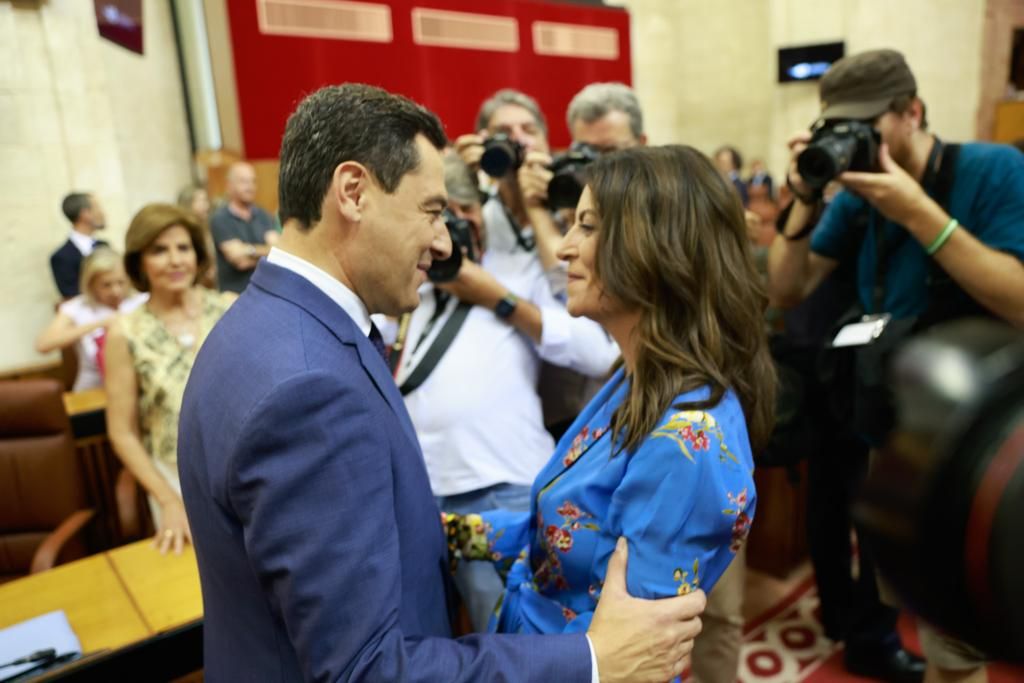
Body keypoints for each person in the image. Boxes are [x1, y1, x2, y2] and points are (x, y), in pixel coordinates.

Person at [177, 83, 706, 683]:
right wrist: (593, 659)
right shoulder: (307, 387)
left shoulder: (262, 326)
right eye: (430, 210)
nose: (443, 241)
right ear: (353, 193)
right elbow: (368, 669)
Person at [446, 146, 771, 678]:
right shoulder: (634, 377)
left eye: (588, 227)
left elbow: (634, 659)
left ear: (655, 248)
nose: (566, 249)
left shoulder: (688, 443)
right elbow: (558, 534)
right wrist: (449, 533)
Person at [768, 48, 1024, 683]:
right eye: (836, 127)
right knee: (934, 615)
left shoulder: (993, 169)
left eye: (863, 124)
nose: (851, 140)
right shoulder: (858, 197)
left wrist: (914, 209)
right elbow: (785, 289)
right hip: (900, 422)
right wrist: (804, 196)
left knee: (967, 632)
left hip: (986, 428)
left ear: (911, 112)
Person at [394, 153, 617, 633]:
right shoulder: (409, 278)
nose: (449, 229)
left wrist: (494, 295)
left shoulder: (515, 271)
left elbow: (598, 353)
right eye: (437, 214)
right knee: (434, 637)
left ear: (482, 215)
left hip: (502, 487)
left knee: (512, 640)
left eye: (463, 212)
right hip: (423, 492)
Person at [104, 204, 235, 556]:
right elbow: (122, 432)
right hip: (176, 482)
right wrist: (168, 500)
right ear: (139, 262)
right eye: (159, 250)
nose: (175, 260)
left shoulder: (230, 309)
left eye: (183, 247)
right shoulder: (124, 332)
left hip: (243, 468)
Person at [35, 248, 147, 391]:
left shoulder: (141, 300)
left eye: (121, 282)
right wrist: (100, 324)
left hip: (141, 385)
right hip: (93, 387)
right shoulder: (76, 307)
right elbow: (43, 345)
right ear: (91, 284)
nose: (116, 291)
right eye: (106, 285)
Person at [209, 162, 278, 293]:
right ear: (229, 186)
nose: (250, 187)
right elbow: (239, 260)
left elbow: (276, 251)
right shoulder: (220, 219)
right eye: (244, 182)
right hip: (235, 296)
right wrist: (264, 253)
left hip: (266, 291)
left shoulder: (264, 215)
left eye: (253, 181)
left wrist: (248, 250)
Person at [50, 192, 107, 298]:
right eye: (97, 208)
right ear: (85, 214)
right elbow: (71, 295)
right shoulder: (61, 257)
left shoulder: (105, 246)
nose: (103, 213)